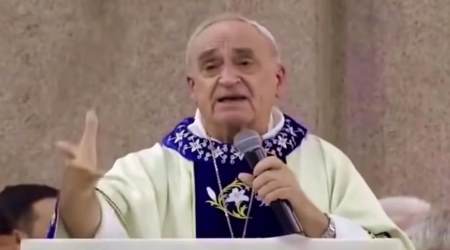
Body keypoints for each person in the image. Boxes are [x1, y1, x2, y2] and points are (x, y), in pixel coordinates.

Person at [54, 13, 414, 249]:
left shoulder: (325, 164)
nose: (227, 78)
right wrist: (76, 197)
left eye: (244, 62)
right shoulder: (150, 171)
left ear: (278, 80)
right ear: (193, 86)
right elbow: (94, 234)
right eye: (211, 67)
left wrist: (316, 221)